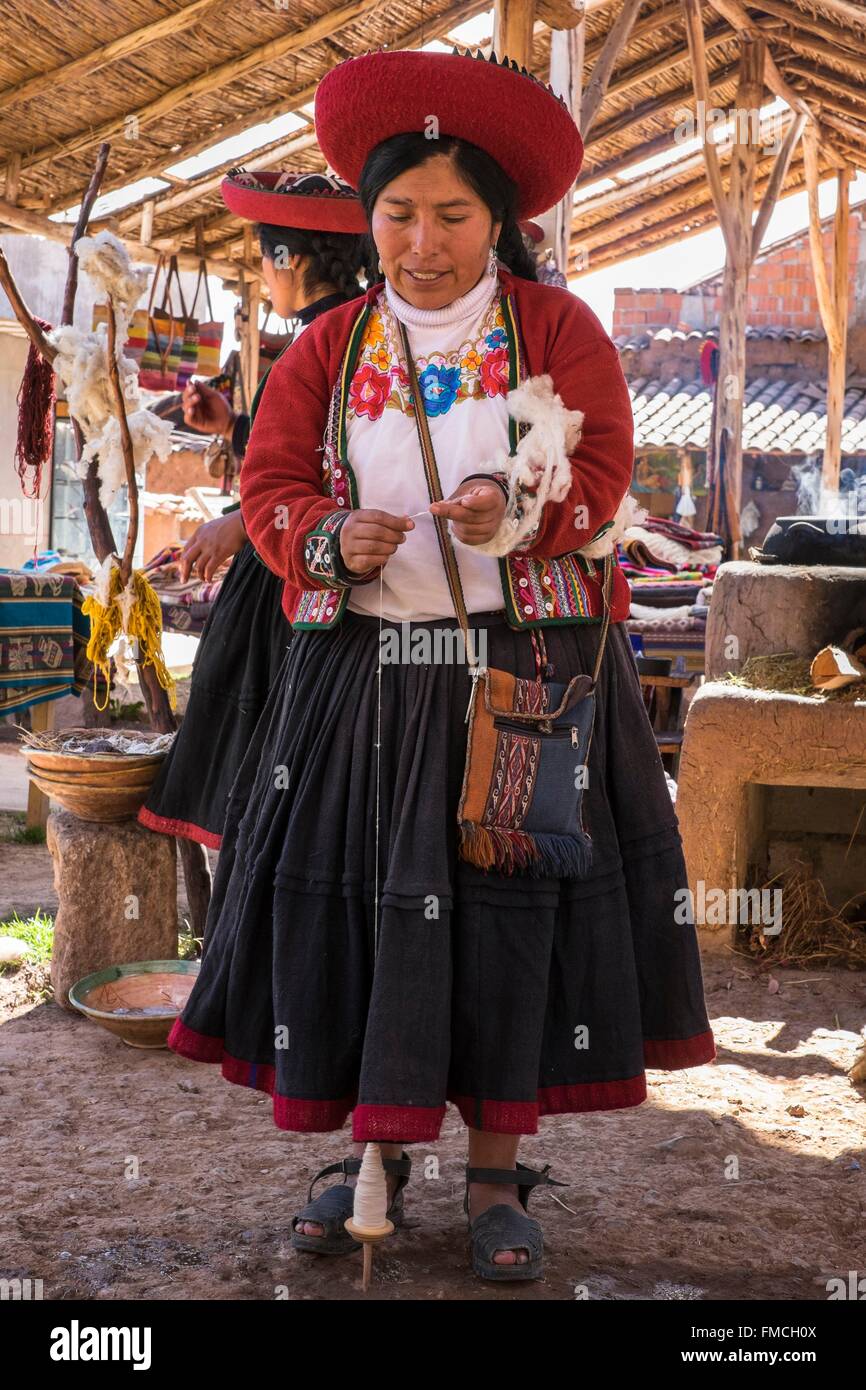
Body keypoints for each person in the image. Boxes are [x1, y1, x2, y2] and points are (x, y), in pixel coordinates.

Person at [167, 50, 716, 1281]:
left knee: (512, 917)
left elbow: (597, 475)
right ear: (367, 222)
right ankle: (362, 1151)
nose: (422, 241)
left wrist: (510, 504)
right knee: (360, 919)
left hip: (524, 678)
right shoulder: (331, 346)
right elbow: (272, 487)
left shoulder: (552, 333)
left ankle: (493, 1171)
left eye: (452, 216)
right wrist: (324, 537)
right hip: (363, 682)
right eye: (398, 213)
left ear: (499, 222)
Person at [138, 171, 368, 848]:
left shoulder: (332, 339)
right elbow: (296, 449)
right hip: (300, 555)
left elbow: (342, 471)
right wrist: (232, 428)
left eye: (266, 262)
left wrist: (240, 523)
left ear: (288, 259)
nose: (267, 279)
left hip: (300, 569)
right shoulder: (346, 333)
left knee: (269, 746)